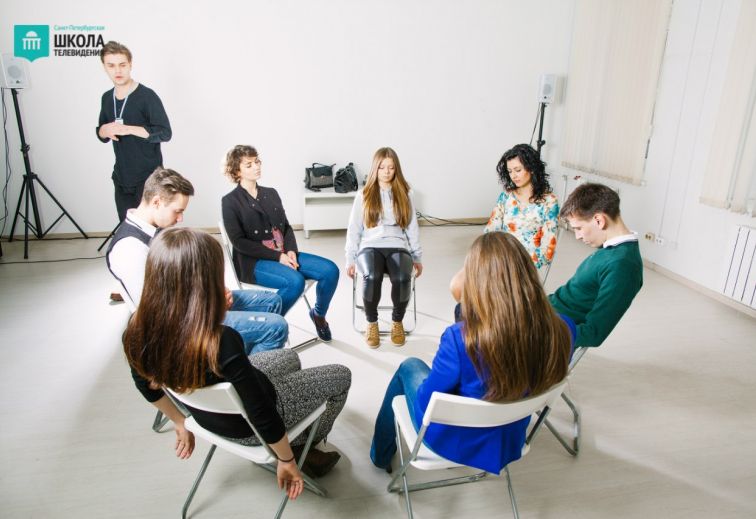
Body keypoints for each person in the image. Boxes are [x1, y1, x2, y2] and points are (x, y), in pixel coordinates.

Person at [123, 228, 352, 486]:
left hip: (206, 418)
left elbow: (144, 384)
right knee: (341, 375)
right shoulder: (220, 341)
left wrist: (180, 422)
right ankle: (302, 445)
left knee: (289, 358)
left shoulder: (136, 329)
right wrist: (285, 459)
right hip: (248, 428)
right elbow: (261, 411)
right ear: (203, 284)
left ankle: (298, 436)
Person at [370, 232, 575, 473]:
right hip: (511, 437)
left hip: (455, 443)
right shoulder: (564, 328)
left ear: (476, 280)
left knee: (410, 366)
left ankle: (380, 456)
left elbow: (426, 402)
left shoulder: (459, 339)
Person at [106, 167, 289, 354]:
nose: (180, 218)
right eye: (177, 211)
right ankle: (242, 368)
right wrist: (212, 304)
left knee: (272, 301)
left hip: (194, 304)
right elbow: (159, 313)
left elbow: (178, 280)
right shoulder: (129, 248)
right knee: (277, 327)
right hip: (182, 326)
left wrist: (212, 290)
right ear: (157, 202)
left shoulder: (155, 230)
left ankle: (239, 356)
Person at [221, 145, 340, 342]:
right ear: (236, 171)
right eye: (249, 165)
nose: (256, 167)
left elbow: (286, 227)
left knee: (330, 270)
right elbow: (239, 242)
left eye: (257, 162)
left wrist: (291, 250)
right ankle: (266, 327)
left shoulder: (271, 193)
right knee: (295, 281)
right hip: (254, 262)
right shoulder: (230, 201)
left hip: (284, 253)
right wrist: (278, 256)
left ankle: (318, 315)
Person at [449, 143, 558, 303]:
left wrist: (526, 267)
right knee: (465, 287)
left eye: (518, 170)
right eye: (510, 171)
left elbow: (549, 245)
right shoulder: (506, 197)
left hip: (526, 263)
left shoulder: (549, 201)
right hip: (501, 258)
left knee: (511, 300)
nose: (514, 176)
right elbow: (491, 230)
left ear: (532, 168)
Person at [548, 182, 643, 347]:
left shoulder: (622, 266)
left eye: (578, 228)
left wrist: (540, 331)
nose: (577, 236)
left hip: (551, 326)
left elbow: (593, 333)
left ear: (599, 220)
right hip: (547, 310)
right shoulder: (609, 248)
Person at [345, 147, 422, 348]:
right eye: (382, 167)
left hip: (397, 246)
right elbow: (354, 229)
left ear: (396, 169)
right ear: (375, 169)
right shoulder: (364, 195)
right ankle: (371, 323)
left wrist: (417, 256)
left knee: (402, 278)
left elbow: (412, 227)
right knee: (372, 277)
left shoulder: (406, 193)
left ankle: (397, 321)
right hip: (370, 246)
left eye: (391, 167)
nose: (387, 172)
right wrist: (350, 258)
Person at [96, 41, 172, 223]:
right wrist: (103, 131)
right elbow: (102, 133)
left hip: (149, 178)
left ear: (130, 64)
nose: (118, 70)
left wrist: (129, 129)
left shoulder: (147, 96)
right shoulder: (107, 98)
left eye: (122, 65)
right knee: (128, 226)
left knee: (154, 229)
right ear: (104, 67)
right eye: (111, 65)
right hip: (122, 177)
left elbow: (165, 133)